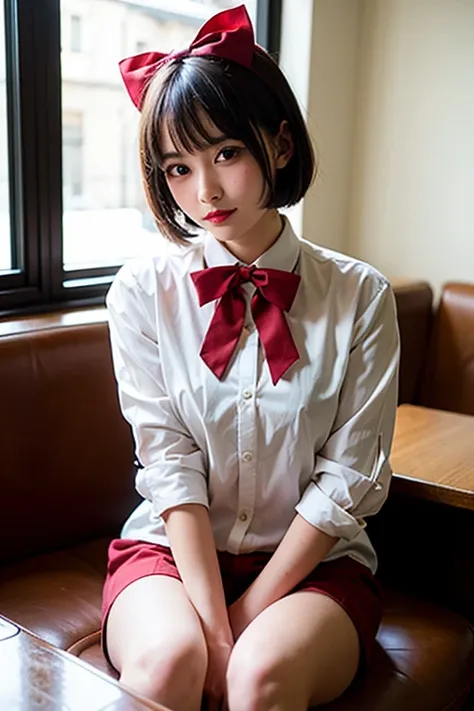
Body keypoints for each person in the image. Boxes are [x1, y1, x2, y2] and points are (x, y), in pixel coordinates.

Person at [102, 5, 400, 711]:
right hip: (171, 554)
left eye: (227, 153)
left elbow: (351, 476)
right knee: (170, 660)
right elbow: (168, 463)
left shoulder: (360, 295)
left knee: (257, 679)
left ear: (281, 145)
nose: (203, 191)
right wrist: (206, 620)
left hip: (314, 567)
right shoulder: (142, 292)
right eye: (178, 167)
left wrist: (238, 625)